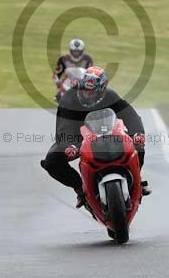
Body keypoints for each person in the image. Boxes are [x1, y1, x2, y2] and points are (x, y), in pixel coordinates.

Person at [40, 65, 150, 208]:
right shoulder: (68, 99)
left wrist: (137, 134)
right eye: (85, 90)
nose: (87, 94)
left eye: (92, 92)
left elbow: (130, 115)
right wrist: (69, 146)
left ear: (102, 90)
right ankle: (80, 189)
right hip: (77, 139)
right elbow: (62, 129)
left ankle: (137, 181)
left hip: (109, 132)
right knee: (51, 162)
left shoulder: (110, 96)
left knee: (138, 145)